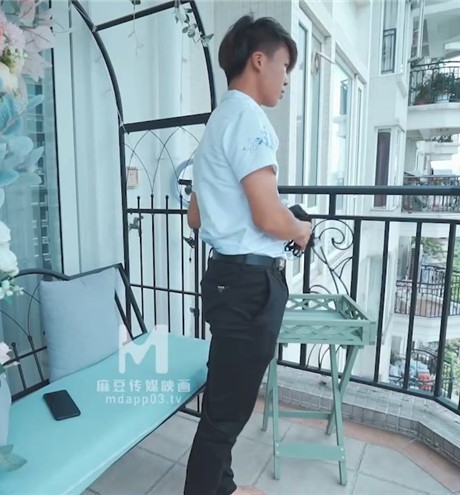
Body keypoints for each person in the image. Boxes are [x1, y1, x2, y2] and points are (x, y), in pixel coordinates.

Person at [183, 15, 311, 495]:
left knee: (224, 402)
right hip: (248, 286)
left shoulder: (217, 122)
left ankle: (225, 488)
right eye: (284, 66)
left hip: (226, 279)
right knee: (225, 417)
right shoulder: (248, 118)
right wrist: (301, 229)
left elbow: (196, 216)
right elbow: (268, 217)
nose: (285, 79)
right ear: (259, 60)